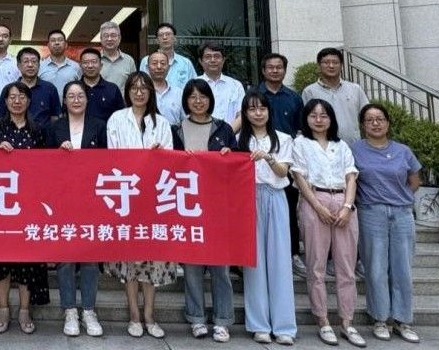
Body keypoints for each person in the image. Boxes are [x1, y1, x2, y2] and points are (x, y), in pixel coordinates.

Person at [105, 71, 176, 339]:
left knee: (152, 257)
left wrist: (159, 155)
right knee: (130, 259)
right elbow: (112, 157)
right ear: (127, 92)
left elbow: (171, 160)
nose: (139, 92)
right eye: (134, 88)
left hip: (155, 199)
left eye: (144, 88)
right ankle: (134, 314)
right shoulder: (116, 118)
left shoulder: (162, 122)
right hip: (126, 197)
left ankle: (150, 315)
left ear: (150, 93)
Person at [0, 81, 51, 334]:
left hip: (29, 203)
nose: (17, 101)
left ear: (29, 101)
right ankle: (3, 308)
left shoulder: (38, 130)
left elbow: (47, 167)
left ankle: (24, 310)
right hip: (0, 204)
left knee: (27, 259)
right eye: (12, 97)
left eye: (21, 97)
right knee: (1, 258)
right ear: (5, 101)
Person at [290, 99, 364, 347]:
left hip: (343, 201)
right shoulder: (300, 143)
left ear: (331, 119)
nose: (319, 120)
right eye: (313, 115)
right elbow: (299, 177)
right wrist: (318, 207)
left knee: (346, 266)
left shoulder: (341, 145)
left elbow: (351, 177)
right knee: (316, 265)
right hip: (315, 200)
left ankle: (347, 322)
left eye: (324, 115)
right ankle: (322, 320)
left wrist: (347, 206)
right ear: (306, 119)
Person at [171, 79, 238, 343]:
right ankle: (196, 317)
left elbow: (238, 164)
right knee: (192, 267)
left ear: (210, 99)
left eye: (203, 96)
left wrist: (228, 154)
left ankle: (222, 320)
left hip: (218, 206)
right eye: (192, 97)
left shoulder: (223, 128)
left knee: (221, 268)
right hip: (188, 206)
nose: (198, 101)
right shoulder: (176, 130)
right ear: (185, 101)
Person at [351, 103, 422, 343]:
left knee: (402, 268)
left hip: (402, 214)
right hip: (371, 213)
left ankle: (403, 320)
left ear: (388, 123)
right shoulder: (355, 149)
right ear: (363, 125)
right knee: (376, 267)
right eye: (369, 120)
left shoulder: (403, 151)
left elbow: (414, 180)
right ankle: (380, 318)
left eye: (380, 119)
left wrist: (402, 198)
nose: (375, 123)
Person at [45, 80, 106, 337]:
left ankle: (89, 310)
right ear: (64, 100)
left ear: (87, 99)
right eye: (71, 96)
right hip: (63, 200)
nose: (76, 100)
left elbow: (108, 161)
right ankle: (69, 310)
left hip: (92, 199)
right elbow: (42, 163)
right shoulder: (54, 127)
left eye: (80, 95)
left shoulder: (99, 126)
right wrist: (58, 153)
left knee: (90, 257)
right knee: (66, 257)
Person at [237, 92, 297, 346]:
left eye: (262, 108)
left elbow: (283, 172)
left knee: (280, 260)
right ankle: (259, 324)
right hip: (248, 199)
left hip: (275, 197)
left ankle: (284, 326)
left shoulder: (283, 138)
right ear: (245, 113)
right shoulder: (240, 140)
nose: (258, 113)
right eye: (252, 109)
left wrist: (268, 157)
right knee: (255, 263)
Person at [259, 52, 307, 277]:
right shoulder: (255, 95)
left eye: (279, 67)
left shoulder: (294, 98)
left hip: (286, 159)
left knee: (288, 206)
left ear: (285, 71)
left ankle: (292, 253)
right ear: (263, 70)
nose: (275, 71)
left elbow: (300, 130)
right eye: (270, 67)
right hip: (258, 160)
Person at [301, 48, 367, 142]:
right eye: (326, 62)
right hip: (322, 146)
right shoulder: (309, 91)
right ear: (319, 66)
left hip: (353, 145)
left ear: (341, 65)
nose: (331, 66)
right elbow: (305, 121)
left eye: (335, 62)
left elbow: (367, 116)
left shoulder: (355, 89)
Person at [0, 47, 60, 125]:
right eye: (26, 61)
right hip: (15, 132)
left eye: (34, 61)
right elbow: (1, 117)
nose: (30, 65)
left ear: (39, 65)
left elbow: (55, 117)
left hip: (43, 132)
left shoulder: (50, 88)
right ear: (18, 65)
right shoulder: (8, 89)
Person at [197, 41, 246, 129]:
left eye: (217, 56)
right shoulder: (193, 85)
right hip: (200, 135)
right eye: (208, 57)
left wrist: (226, 134)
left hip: (231, 135)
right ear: (201, 61)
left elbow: (242, 115)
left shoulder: (236, 86)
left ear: (223, 60)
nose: (213, 60)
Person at [139, 22, 196, 87]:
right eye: (161, 35)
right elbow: (142, 85)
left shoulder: (186, 63)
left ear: (175, 38)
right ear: (157, 40)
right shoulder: (146, 61)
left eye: (168, 34)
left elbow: (194, 87)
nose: (165, 37)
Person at [78, 47, 123, 121]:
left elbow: (120, 116)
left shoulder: (112, 89)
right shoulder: (73, 89)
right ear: (80, 65)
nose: (90, 66)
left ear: (101, 65)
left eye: (94, 62)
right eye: (86, 62)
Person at [39, 29, 81, 101]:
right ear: (48, 45)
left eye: (60, 40)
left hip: (70, 107)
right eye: (53, 40)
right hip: (46, 107)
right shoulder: (40, 66)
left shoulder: (76, 67)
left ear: (66, 45)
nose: (57, 43)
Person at [147, 50, 184, 125]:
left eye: (163, 63)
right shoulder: (142, 92)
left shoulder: (179, 93)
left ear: (169, 67)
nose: (159, 67)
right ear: (147, 67)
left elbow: (185, 120)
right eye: (154, 63)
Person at [97, 20, 136, 88]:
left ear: (119, 38)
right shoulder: (95, 60)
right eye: (106, 36)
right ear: (101, 39)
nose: (109, 39)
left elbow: (134, 85)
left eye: (113, 35)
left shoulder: (129, 60)